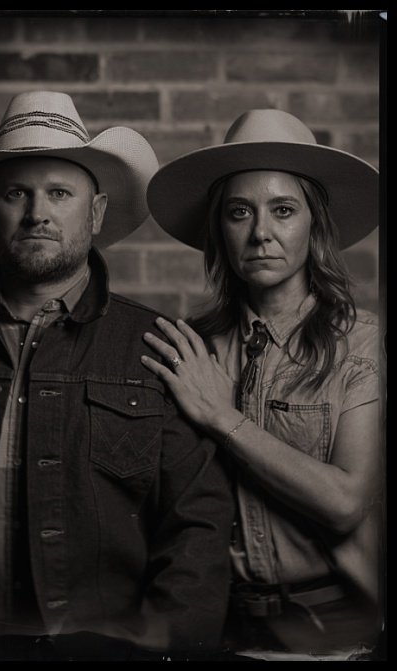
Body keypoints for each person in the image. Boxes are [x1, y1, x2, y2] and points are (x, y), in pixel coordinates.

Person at [0, 90, 235, 660]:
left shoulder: (158, 348)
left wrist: (158, 648)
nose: (37, 212)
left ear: (94, 213)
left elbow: (199, 526)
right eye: (18, 193)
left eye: (59, 193)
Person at [142, 108, 382, 656]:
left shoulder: (361, 344)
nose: (261, 233)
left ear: (314, 224)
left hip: (335, 637)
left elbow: (346, 501)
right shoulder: (190, 350)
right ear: (218, 229)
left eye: (283, 210)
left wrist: (223, 417)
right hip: (219, 633)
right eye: (240, 212)